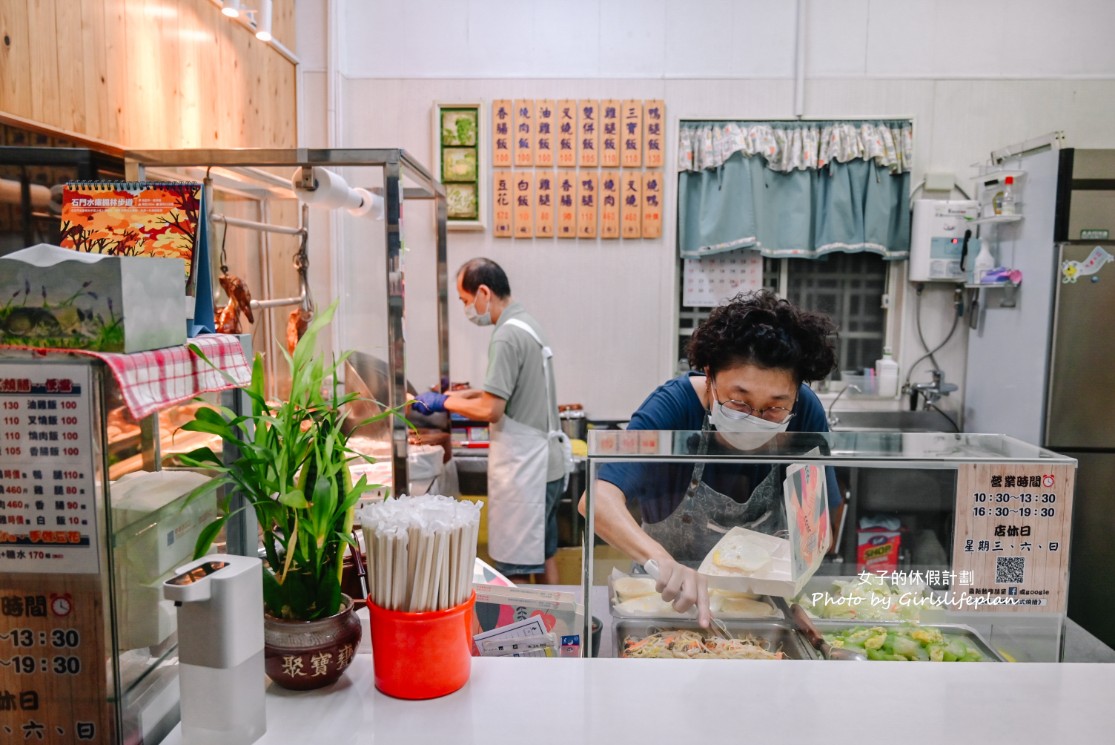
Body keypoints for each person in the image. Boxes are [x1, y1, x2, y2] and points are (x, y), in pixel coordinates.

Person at [577, 289, 840, 627]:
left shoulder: (806, 413)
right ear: (709, 373)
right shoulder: (672, 407)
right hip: (665, 603)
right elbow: (597, 499)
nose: (756, 417)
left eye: (774, 407)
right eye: (739, 402)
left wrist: (797, 587)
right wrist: (661, 561)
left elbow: (817, 530)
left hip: (762, 609)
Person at [412, 258, 565, 584]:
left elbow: (492, 409)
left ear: (484, 292)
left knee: (516, 567)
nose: (468, 309)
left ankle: (524, 636)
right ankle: (563, 633)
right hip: (548, 466)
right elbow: (503, 391)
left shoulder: (506, 335)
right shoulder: (527, 323)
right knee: (545, 554)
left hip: (526, 472)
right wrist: (459, 396)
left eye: (466, 301)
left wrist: (442, 402)